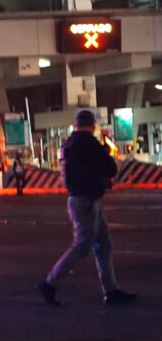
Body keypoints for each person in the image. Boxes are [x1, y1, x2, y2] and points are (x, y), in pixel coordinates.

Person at [36, 109, 137, 307]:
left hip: (78, 199)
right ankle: (49, 283)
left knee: (103, 245)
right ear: (93, 125)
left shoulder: (68, 145)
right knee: (82, 246)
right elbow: (111, 168)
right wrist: (106, 153)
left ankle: (111, 290)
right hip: (88, 201)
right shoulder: (90, 143)